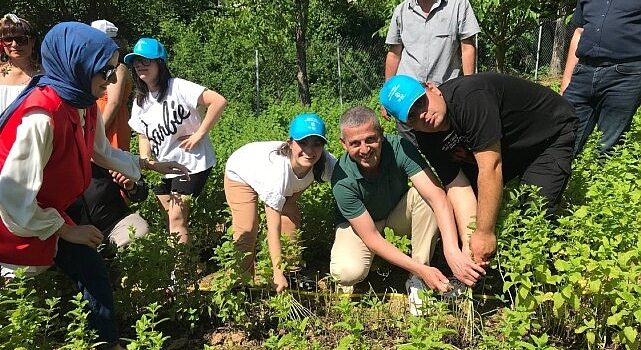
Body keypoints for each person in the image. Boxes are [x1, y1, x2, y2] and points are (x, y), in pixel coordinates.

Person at [0, 22, 188, 349]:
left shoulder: (81, 102)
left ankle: (107, 342)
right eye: (106, 72)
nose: (113, 81)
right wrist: (66, 230)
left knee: (92, 270)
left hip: (47, 214)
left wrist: (146, 163)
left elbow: (100, 151)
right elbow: (11, 197)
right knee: (15, 295)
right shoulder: (41, 116)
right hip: (14, 223)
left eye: (113, 70)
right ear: (77, 66)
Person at [380, 74, 577, 265]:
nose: (422, 115)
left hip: (547, 135)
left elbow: (491, 167)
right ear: (406, 125)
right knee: (470, 223)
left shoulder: (470, 98)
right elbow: (457, 185)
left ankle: (540, 274)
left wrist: (484, 232)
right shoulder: (426, 136)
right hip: (504, 148)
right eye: (412, 116)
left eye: (420, 102)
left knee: (533, 214)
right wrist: (470, 242)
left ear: (432, 89)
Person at [330, 106, 484, 314]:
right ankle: (419, 270)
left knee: (427, 197)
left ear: (382, 135)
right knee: (346, 273)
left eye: (370, 139)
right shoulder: (342, 180)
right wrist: (422, 269)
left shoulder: (399, 147)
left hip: (395, 215)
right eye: (355, 143)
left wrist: (452, 251)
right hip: (361, 228)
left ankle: (418, 281)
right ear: (343, 144)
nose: (365, 149)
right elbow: (372, 237)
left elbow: (438, 196)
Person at [126, 37, 227, 244]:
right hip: (164, 166)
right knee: (172, 217)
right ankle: (195, 249)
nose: (139, 65)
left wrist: (199, 134)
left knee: (176, 217)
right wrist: (147, 160)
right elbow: (142, 134)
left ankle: (181, 274)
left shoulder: (178, 87)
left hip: (191, 163)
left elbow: (218, 101)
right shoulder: (140, 100)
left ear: (159, 63)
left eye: (145, 60)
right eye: (136, 61)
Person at [224, 113, 337, 292]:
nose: (309, 150)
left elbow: (348, 182)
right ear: (290, 143)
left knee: (290, 215)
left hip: (288, 183)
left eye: (317, 143)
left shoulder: (325, 161)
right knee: (248, 228)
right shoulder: (277, 172)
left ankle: (292, 273)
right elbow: (273, 228)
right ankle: (241, 283)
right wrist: (277, 273)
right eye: (303, 142)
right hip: (242, 173)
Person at [384, 0, 480, 146]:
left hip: (441, 99)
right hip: (406, 99)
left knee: (455, 151)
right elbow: (394, 54)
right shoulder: (401, 10)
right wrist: (388, 95)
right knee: (413, 154)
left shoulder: (458, 5)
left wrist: (469, 89)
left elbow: (467, 48)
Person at [560, 0, 641, 156]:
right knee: (563, 136)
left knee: (609, 145)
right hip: (583, 72)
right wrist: (566, 81)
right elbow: (578, 32)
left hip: (625, 76)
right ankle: (563, 178)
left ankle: (603, 178)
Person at [66, 163, 150, 248]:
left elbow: (141, 192)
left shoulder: (101, 159)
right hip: (75, 236)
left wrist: (132, 187)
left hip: (116, 223)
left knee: (138, 233)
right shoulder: (55, 175)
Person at [90, 19, 134, 151]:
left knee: (112, 167)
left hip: (110, 124)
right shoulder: (95, 68)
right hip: (96, 122)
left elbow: (114, 102)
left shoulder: (119, 68)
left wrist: (96, 134)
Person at [0, 14, 41, 112]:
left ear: (32, 41)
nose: (14, 45)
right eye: (8, 39)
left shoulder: (46, 73)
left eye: (21, 39)